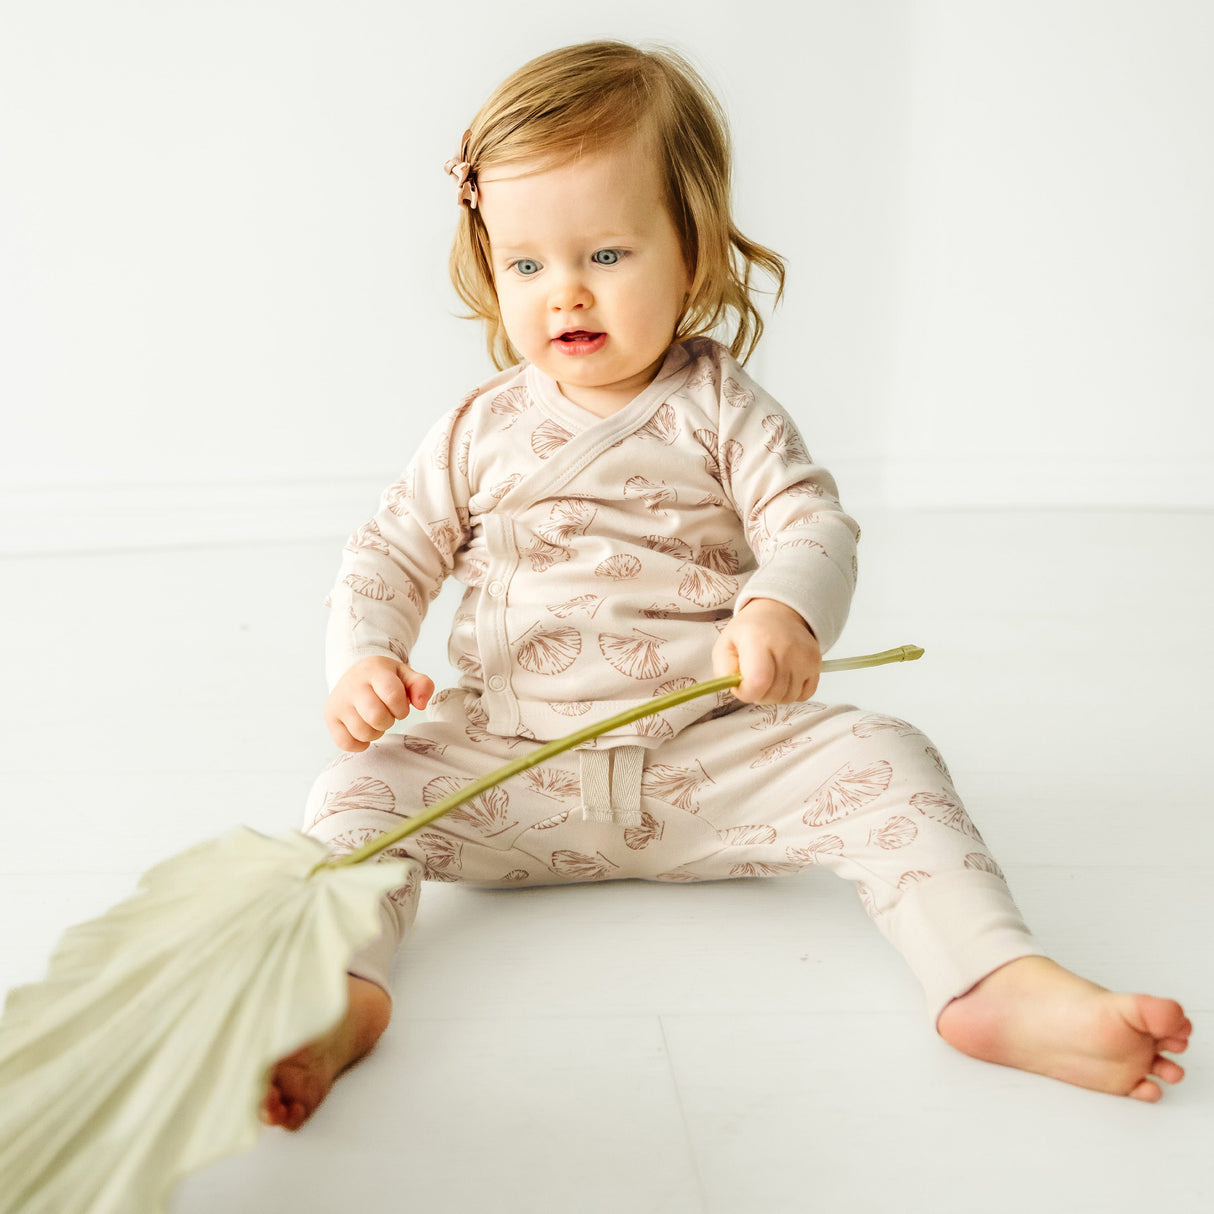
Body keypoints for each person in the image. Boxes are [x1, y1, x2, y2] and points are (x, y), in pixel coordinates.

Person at [260, 40, 1190, 1131]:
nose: (562, 290)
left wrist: (777, 607)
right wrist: (364, 656)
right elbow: (388, 552)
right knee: (352, 795)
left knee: (882, 755)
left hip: (703, 763)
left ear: (691, 249)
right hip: (512, 771)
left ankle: (990, 979)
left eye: (604, 251)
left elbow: (810, 522)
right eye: (524, 264)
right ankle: (335, 997)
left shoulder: (720, 408)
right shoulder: (476, 430)